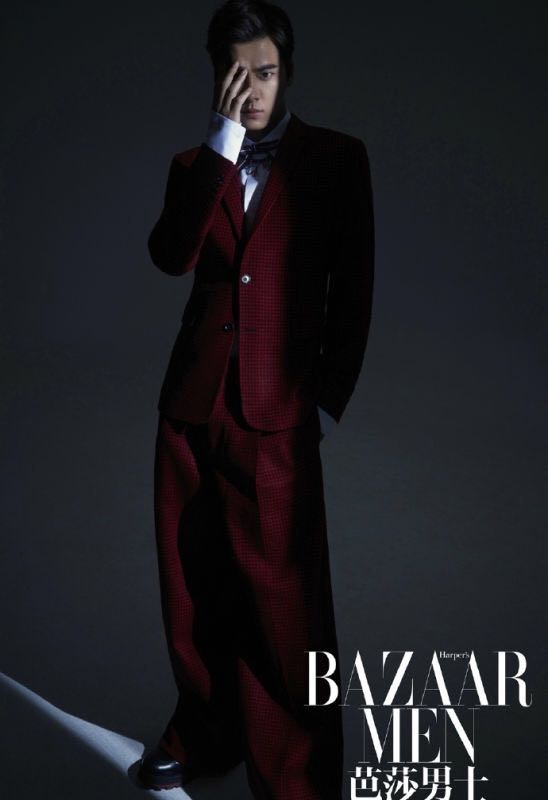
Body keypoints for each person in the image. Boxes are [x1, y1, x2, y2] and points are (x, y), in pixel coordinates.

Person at [138, 1, 374, 797]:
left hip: (279, 416)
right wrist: (222, 140)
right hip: (190, 409)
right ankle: (205, 734)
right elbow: (171, 255)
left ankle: (298, 779)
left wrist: (326, 403)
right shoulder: (193, 164)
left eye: (265, 74)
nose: (252, 91)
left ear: (288, 73)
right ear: (216, 79)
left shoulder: (337, 159)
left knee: (286, 612)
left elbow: (354, 291)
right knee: (192, 591)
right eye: (236, 76)